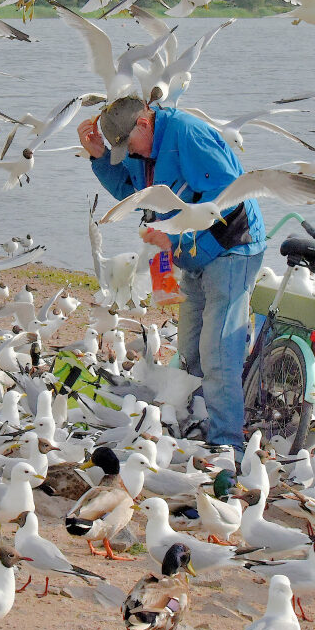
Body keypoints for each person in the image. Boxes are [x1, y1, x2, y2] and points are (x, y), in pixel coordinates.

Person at [78, 95, 264, 450]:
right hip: (189, 252)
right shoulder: (141, 149)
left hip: (230, 247)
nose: (128, 154)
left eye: (128, 146)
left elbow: (227, 202)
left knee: (218, 352)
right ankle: (198, 422)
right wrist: (100, 156)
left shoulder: (187, 134)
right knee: (190, 348)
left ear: (144, 124)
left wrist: (180, 239)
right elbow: (133, 192)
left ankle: (228, 446)